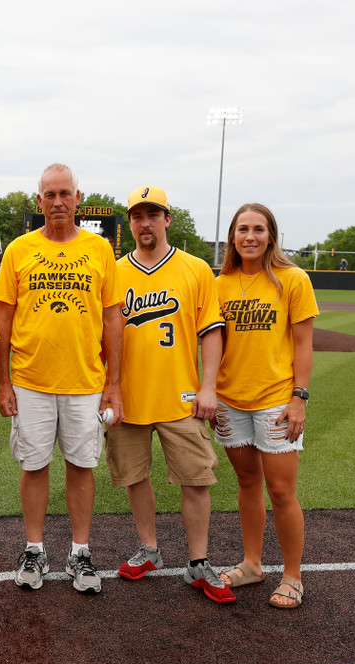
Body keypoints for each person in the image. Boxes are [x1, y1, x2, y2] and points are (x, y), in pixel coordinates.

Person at [0, 163, 123, 594]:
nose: (58, 201)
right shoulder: (19, 249)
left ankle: (80, 552)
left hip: (86, 381)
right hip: (30, 380)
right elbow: (3, 320)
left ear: (78, 197)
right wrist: (3, 381)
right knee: (34, 465)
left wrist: (114, 383)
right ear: (39, 201)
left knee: (82, 466)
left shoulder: (100, 250)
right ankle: (34, 548)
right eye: (50, 194)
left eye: (65, 193)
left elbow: (111, 319)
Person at [107, 185, 234, 604]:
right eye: (137, 216)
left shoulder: (195, 269)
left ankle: (198, 561)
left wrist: (209, 387)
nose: (145, 223)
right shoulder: (114, 271)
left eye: (153, 214)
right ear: (130, 223)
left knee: (196, 479)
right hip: (127, 396)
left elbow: (211, 332)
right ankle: (149, 548)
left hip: (181, 396)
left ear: (167, 219)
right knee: (134, 476)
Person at [214, 203, 317, 609]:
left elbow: (305, 343)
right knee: (246, 483)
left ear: (271, 235)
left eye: (259, 229)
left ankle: (292, 574)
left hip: (276, 400)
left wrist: (299, 397)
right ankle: (253, 564)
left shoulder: (292, 279)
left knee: (281, 490)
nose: (250, 236)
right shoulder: (220, 282)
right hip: (229, 400)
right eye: (243, 229)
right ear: (232, 237)